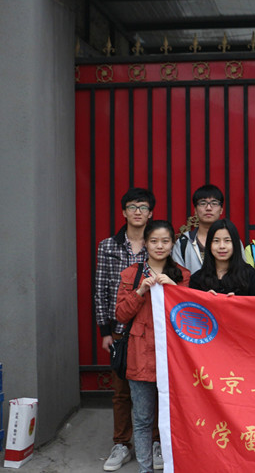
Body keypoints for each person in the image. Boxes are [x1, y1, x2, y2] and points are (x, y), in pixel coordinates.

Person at [116, 220, 189, 472]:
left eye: (165, 241)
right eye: (154, 241)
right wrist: (139, 292)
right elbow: (121, 315)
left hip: (173, 356)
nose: (160, 246)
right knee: (143, 418)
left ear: (172, 244)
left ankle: (174, 466)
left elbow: (190, 316)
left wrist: (175, 290)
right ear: (145, 243)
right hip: (140, 355)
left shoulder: (182, 275)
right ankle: (145, 468)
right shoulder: (131, 274)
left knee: (175, 417)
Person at [93, 187, 155, 471]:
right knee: (121, 391)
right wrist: (105, 331)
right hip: (120, 328)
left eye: (143, 207)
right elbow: (101, 289)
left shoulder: (158, 241)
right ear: (123, 212)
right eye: (132, 207)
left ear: (151, 213)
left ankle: (155, 441)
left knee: (155, 387)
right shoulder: (108, 246)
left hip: (152, 329)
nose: (138, 212)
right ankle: (122, 443)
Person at [173, 184, 242, 274]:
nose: (208, 208)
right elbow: (178, 276)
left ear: (221, 209)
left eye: (214, 203)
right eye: (203, 203)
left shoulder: (232, 239)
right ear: (195, 210)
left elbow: (242, 271)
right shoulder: (183, 242)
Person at [189, 219, 255, 296]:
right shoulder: (197, 279)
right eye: (216, 241)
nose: (222, 246)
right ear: (209, 245)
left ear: (235, 244)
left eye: (227, 240)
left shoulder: (251, 276)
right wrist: (205, 299)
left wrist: (238, 301)